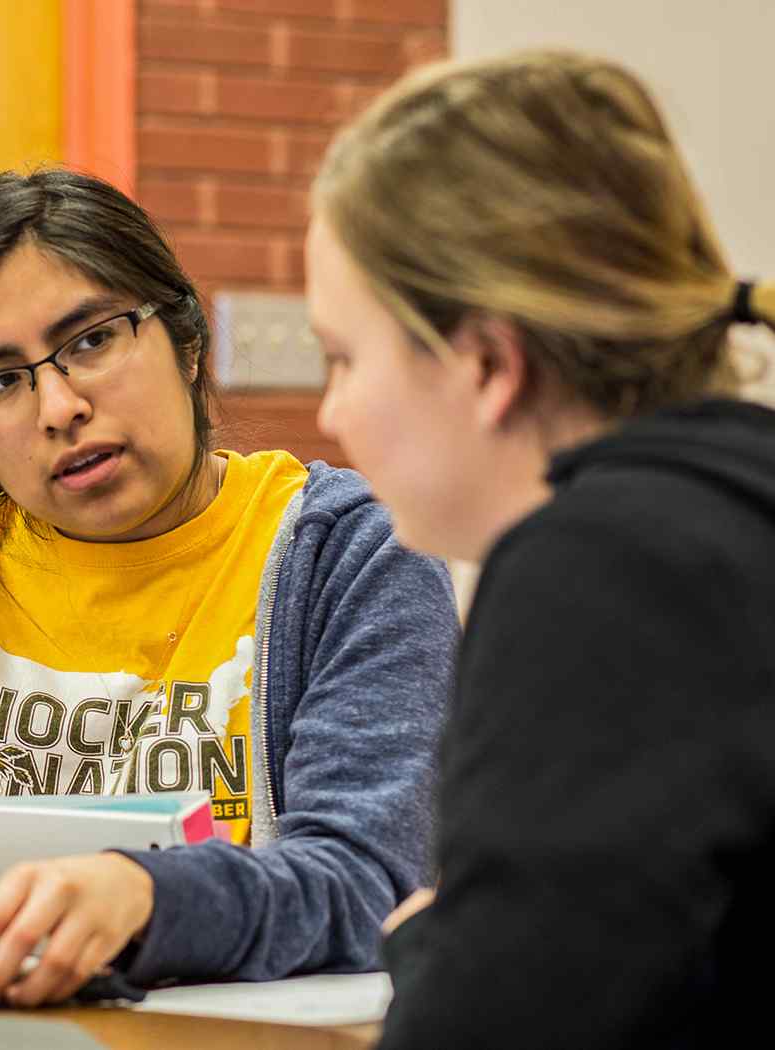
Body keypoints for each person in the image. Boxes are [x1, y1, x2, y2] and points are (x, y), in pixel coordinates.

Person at [0, 168, 457, 1008]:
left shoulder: (352, 555)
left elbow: (368, 883)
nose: (58, 406)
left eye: (92, 341)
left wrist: (148, 898)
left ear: (184, 338)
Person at [306, 49, 775, 1049]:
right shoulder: (731, 510)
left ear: (485, 362)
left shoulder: (599, 568)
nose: (328, 410)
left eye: (343, 357)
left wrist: (438, 951)